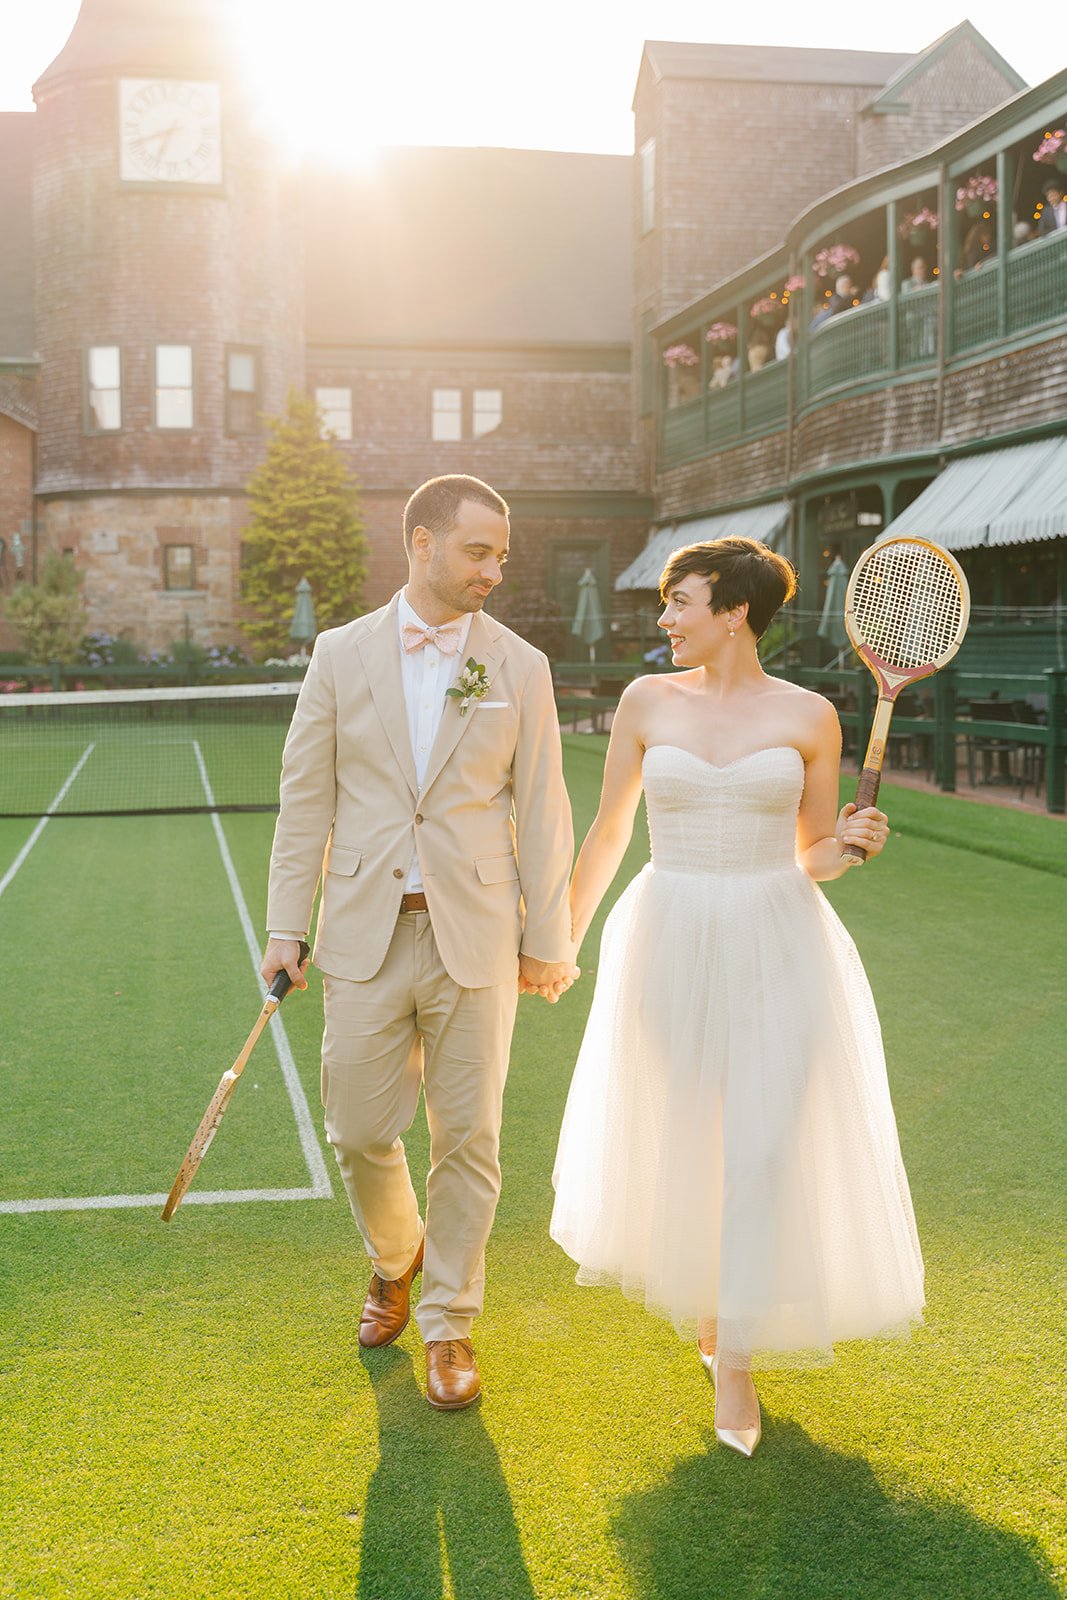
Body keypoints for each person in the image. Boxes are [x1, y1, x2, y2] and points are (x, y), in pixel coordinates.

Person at [551, 536, 924, 1458]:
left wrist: (853, 842)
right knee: (694, 1138)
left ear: (734, 613)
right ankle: (717, 1313)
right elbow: (608, 833)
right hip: (667, 935)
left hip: (777, 935)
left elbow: (814, 854)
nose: (666, 619)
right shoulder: (645, 701)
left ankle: (737, 1359)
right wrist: (555, 937)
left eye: (680, 603)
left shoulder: (812, 716)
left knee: (762, 1145)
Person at [262, 473, 577, 1412]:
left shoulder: (519, 665)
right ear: (422, 543)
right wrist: (286, 925)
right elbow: (304, 797)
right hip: (360, 933)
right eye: (477, 552)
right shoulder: (339, 652)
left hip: (475, 934)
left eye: (501, 557)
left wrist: (545, 936)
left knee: (469, 1140)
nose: (492, 571)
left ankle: (449, 1323)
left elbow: (544, 807)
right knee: (359, 1131)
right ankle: (396, 1257)